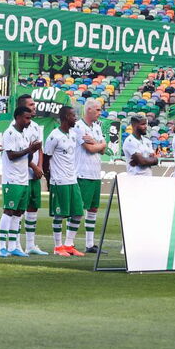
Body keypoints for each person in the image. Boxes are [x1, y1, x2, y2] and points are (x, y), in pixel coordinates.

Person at [0, 106, 41, 258]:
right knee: (9, 211)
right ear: (17, 117)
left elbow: (26, 158)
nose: (29, 121)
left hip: (23, 179)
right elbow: (11, 155)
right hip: (12, 179)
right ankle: (2, 247)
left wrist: (33, 150)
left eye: (29, 118)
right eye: (26, 118)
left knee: (18, 213)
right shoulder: (10, 133)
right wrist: (29, 149)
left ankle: (12, 247)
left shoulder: (24, 134)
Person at [43, 106, 86, 256]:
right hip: (59, 180)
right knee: (59, 215)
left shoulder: (73, 134)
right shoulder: (54, 136)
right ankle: (57, 247)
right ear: (66, 117)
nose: (75, 118)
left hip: (72, 179)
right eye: (73, 116)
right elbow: (46, 159)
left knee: (78, 212)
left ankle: (68, 244)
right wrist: (49, 179)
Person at [73, 100, 107, 254]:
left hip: (95, 173)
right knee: (79, 209)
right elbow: (90, 148)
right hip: (83, 172)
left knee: (93, 208)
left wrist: (97, 144)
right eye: (98, 110)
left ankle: (90, 244)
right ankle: (69, 242)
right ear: (89, 110)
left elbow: (102, 149)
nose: (100, 113)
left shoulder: (97, 127)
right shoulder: (79, 126)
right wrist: (97, 145)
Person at [16, 94, 46, 256]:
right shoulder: (16, 127)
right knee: (19, 210)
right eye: (31, 104)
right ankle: (16, 244)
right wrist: (34, 167)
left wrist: (40, 166)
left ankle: (30, 244)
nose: (34, 107)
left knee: (33, 208)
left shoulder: (35, 126)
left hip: (35, 173)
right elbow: (21, 151)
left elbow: (39, 149)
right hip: (22, 174)